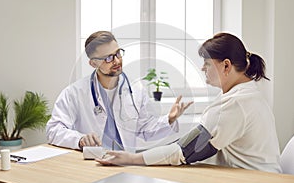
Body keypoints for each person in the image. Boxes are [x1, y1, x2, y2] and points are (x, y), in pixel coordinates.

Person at [96, 32, 282, 173]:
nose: (203, 68)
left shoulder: (236, 103)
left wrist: (131, 159)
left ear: (226, 65)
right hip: (255, 176)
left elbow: (185, 151)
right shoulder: (246, 95)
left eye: (207, 63)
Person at [46, 31, 193, 151]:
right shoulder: (74, 93)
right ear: (93, 63)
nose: (117, 61)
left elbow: (146, 130)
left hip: (125, 163)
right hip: (90, 164)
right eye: (108, 58)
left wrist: (169, 119)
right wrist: (79, 140)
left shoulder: (136, 91)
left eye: (118, 53)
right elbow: (53, 130)